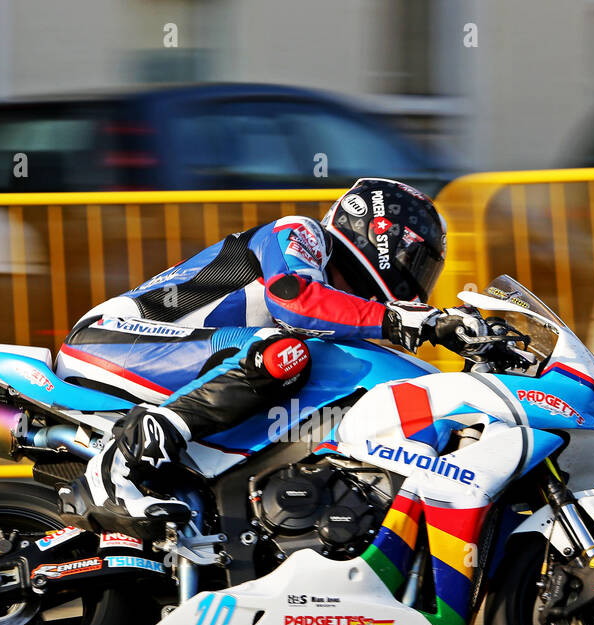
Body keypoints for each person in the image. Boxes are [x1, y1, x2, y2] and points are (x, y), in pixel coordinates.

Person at [54, 177, 487, 538]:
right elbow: (292, 299)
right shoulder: (302, 233)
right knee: (281, 353)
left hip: (181, 360)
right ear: (379, 234)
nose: (417, 279)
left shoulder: (344, 305)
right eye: (415, 259)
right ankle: (114, 471)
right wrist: (413, 321)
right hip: (118, 340)